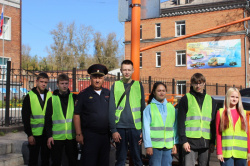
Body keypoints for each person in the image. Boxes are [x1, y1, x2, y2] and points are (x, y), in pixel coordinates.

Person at [109, 59, 145, 166]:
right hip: (120, 128)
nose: (127, 72)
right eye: (124, 70)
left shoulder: (138, 85)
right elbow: (111, 109)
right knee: (120, 159)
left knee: (138, 159)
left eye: (129, 70)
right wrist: (113, 130)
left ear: (133, 70)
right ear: (121, 70)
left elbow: (143, 108)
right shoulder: (115, 86)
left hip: (136, 128)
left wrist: (143, 130)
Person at [73, 64, 110, 166]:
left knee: (104, 163)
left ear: (104, 79)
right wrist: (79, 134)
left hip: (105, 137)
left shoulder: (108, 93)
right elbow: (76, 115)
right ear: (90, 78)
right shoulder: (83, 94)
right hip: (90, 137)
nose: (97, 80)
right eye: (95, 77)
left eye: (100, 77)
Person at [178, 73, 217, 166]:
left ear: (204, 83)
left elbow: (213, 123)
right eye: (195, 83)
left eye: (200, 83)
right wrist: (183, 141)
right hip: (189, 141)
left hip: (205, 141)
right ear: (191, 84)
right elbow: (180, 122)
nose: (198, 86)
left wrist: (212, 142)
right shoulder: (185, 99)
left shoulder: (211, 100)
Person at [45, 73, 77, 166]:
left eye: (66, 83)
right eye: (62, 83)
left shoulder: (74, 98)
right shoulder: (52, 99)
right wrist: (49, 136)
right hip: (56, 137)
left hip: (71, 136)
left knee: (73, 161)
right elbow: (47, 120)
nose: (64, 86)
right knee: (56, 161)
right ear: (57, 84)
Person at [143, 82, 178, 166]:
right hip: (154, 147)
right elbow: (146, 128)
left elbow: (175, 127)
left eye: (163, 90)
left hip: (168, 146)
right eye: (159, 91)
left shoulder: (171, 108)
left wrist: (175, 143)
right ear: (154, 92)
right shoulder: (149, 108)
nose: (161, 93)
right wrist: (148, 145)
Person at [22, 72, 52, 166]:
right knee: (33, 159)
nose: (43, 84)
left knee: (46, 159)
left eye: (45, 82)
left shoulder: (50, 95)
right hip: (35, 134)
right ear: (37, 82)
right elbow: (25, 117)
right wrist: (29, 134)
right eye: (41, 81)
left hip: (47, 133)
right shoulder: (29, 96)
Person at [216, 87, 250, 166]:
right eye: (232, 97)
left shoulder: (244, 114)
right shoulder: (221, 113)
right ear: (227, 97)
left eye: (237, 97)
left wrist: (249, 151)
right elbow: (218, 134)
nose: (234, 99)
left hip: (241, 152)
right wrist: (219, 152)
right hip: (226, 152)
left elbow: (247, 134)